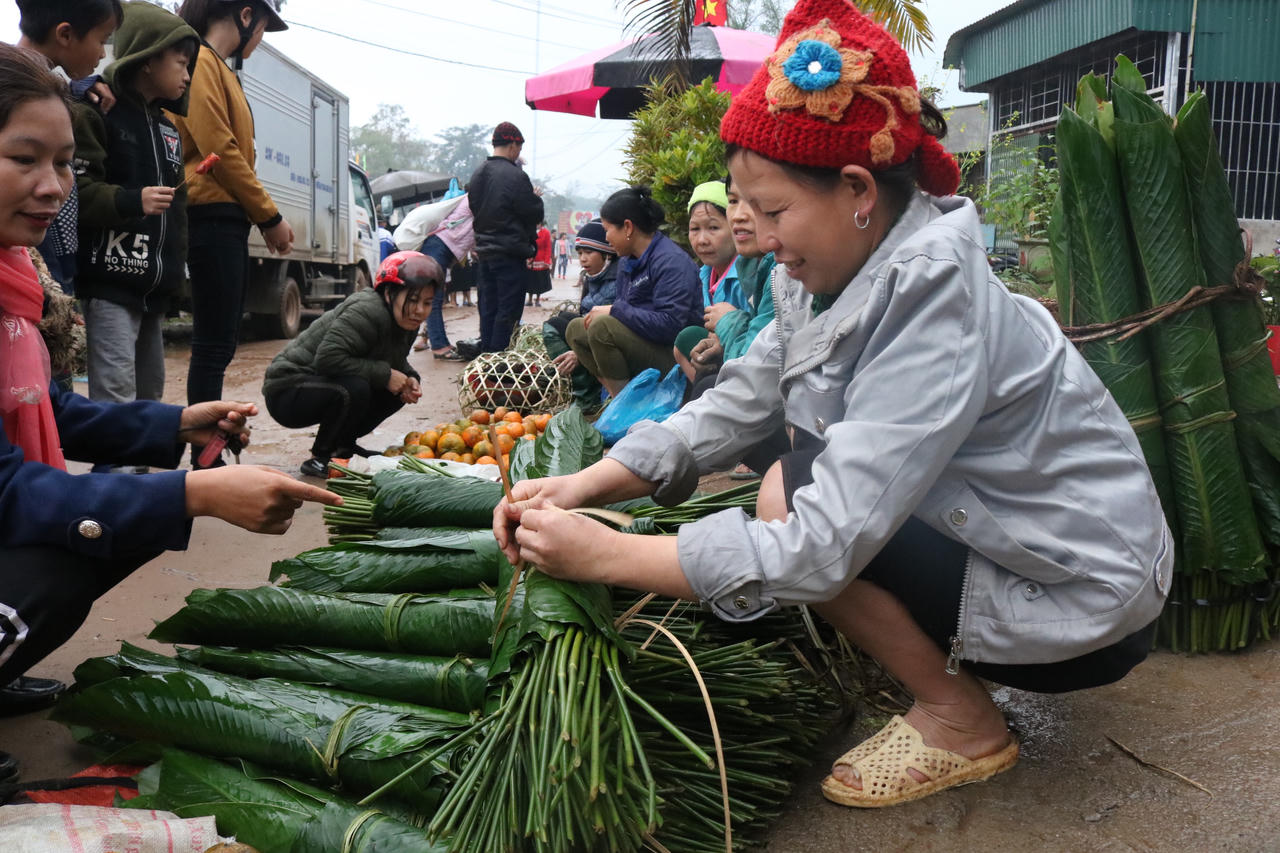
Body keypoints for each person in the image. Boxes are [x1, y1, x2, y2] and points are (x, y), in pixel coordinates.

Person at [495, 0, 1170, 811]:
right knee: (791, 477)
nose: (760, 233)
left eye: (773, 211)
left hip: (1080, 597)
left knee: (793, 495)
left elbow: (819, 545)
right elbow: (744, 397)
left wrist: (606, 556)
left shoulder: (936, 302)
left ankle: (964, 720)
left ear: (857, 190)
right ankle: (944, 679)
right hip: (1007, 541)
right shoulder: (821, 273)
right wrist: (591, 484)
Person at [0, 43, 338, 742]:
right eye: (24, 159)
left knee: (121, 528)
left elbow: (51, 410)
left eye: (64, 164)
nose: (54, 186)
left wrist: (177, 422)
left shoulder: (15, 280)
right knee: (83, 545)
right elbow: (9, 492)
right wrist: (196, 493)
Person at [171, 0, 293, 468]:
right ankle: (205, 452)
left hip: (225, 215)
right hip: (212, 213)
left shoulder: (215, 66)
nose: (260, 41)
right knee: (212, 343)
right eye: (263, 28)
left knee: (219, 342)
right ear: (245, 16)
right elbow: (219, 148)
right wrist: (269, 215)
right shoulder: (201, 61)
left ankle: (207, 449)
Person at [72, 2, 198, 418]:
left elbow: (176, 215)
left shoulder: (168, 129)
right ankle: (115, 481)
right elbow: (76, 193)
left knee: (150, 395)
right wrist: (131, 200)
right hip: (109, 284)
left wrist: (174, 279)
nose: (187, 75)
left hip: (150, 290)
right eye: (181, 63)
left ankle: (140, 479)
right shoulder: (100, 112)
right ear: (147, 58)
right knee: (115, 397)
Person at [262, 251, 433, 477]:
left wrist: (410, 378)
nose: (420, 310)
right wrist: (386, 375)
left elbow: (393, 360)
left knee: (394, 389)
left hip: (324, 384)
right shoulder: (368, 309)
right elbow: (328, 359)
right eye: (412, 300)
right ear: (390, 293)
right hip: (287, 390)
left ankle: (344, 447)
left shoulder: (405, 320)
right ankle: (322, 456)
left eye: (427, 302)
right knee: (356, 386)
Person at [15, 0, 124, 294]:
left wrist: (77, 86)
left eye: (62, 162)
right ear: (65, 35)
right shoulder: (12, 88)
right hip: (33, 266)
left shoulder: (52, 87)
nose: (103, 53)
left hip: (55, 262)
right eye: (102, 40)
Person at [563, 186, 702, 396]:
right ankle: (618, 398)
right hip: (644, 343)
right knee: (576, 328)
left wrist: (616, 310)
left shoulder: (671, 262)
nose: (606, 237)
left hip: (674, 356)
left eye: (608, 229)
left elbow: (671, 325)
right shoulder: (628, 261)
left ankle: (627, 406)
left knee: (602, 326)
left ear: (627, 227)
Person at [468, 122, 543, 352]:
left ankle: (486, 361)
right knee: (507, 311)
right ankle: (500, 366)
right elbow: (533, 212)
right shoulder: (515, 176)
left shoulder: (478, 173)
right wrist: (535, 198)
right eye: (518, 148)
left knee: (488, 308)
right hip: (510, 254)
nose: (518, 153)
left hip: (485, 254)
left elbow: (473, 207)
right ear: (513, 145)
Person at [671, 180, 744, 387]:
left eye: (713, 228)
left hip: (749, 359)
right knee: (686, 341)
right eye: (694, 229)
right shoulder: (705, 273)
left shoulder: (746, 276)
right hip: (726, 350)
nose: (701, 240)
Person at [543, 218, 618, 410]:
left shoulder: (618, 280)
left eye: (589, 252)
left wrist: (579, 352)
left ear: (607, 254)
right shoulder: (592, 278)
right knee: (556, 323)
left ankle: (588, 398)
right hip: (591, 334)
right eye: (580, 253)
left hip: (610, 343)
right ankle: (581, 388)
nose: (583, 258)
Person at [412, 194, 474, 361]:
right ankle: (439, 347)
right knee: (434, 299)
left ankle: (440, 343)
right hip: (438, 247)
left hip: (442, 250)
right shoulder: (475, 199)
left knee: (435, 299)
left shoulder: (474, 200)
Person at [526, 221, 552, 308]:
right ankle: (529, 300)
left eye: (538, 223)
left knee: (539, 281)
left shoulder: (546, 232)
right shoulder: (529, 231)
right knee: (529, 281)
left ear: (541, 224)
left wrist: (547, 260)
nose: (536, 225)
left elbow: (548, 247)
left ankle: (537, 300)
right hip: (530, 258)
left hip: (541, 260)